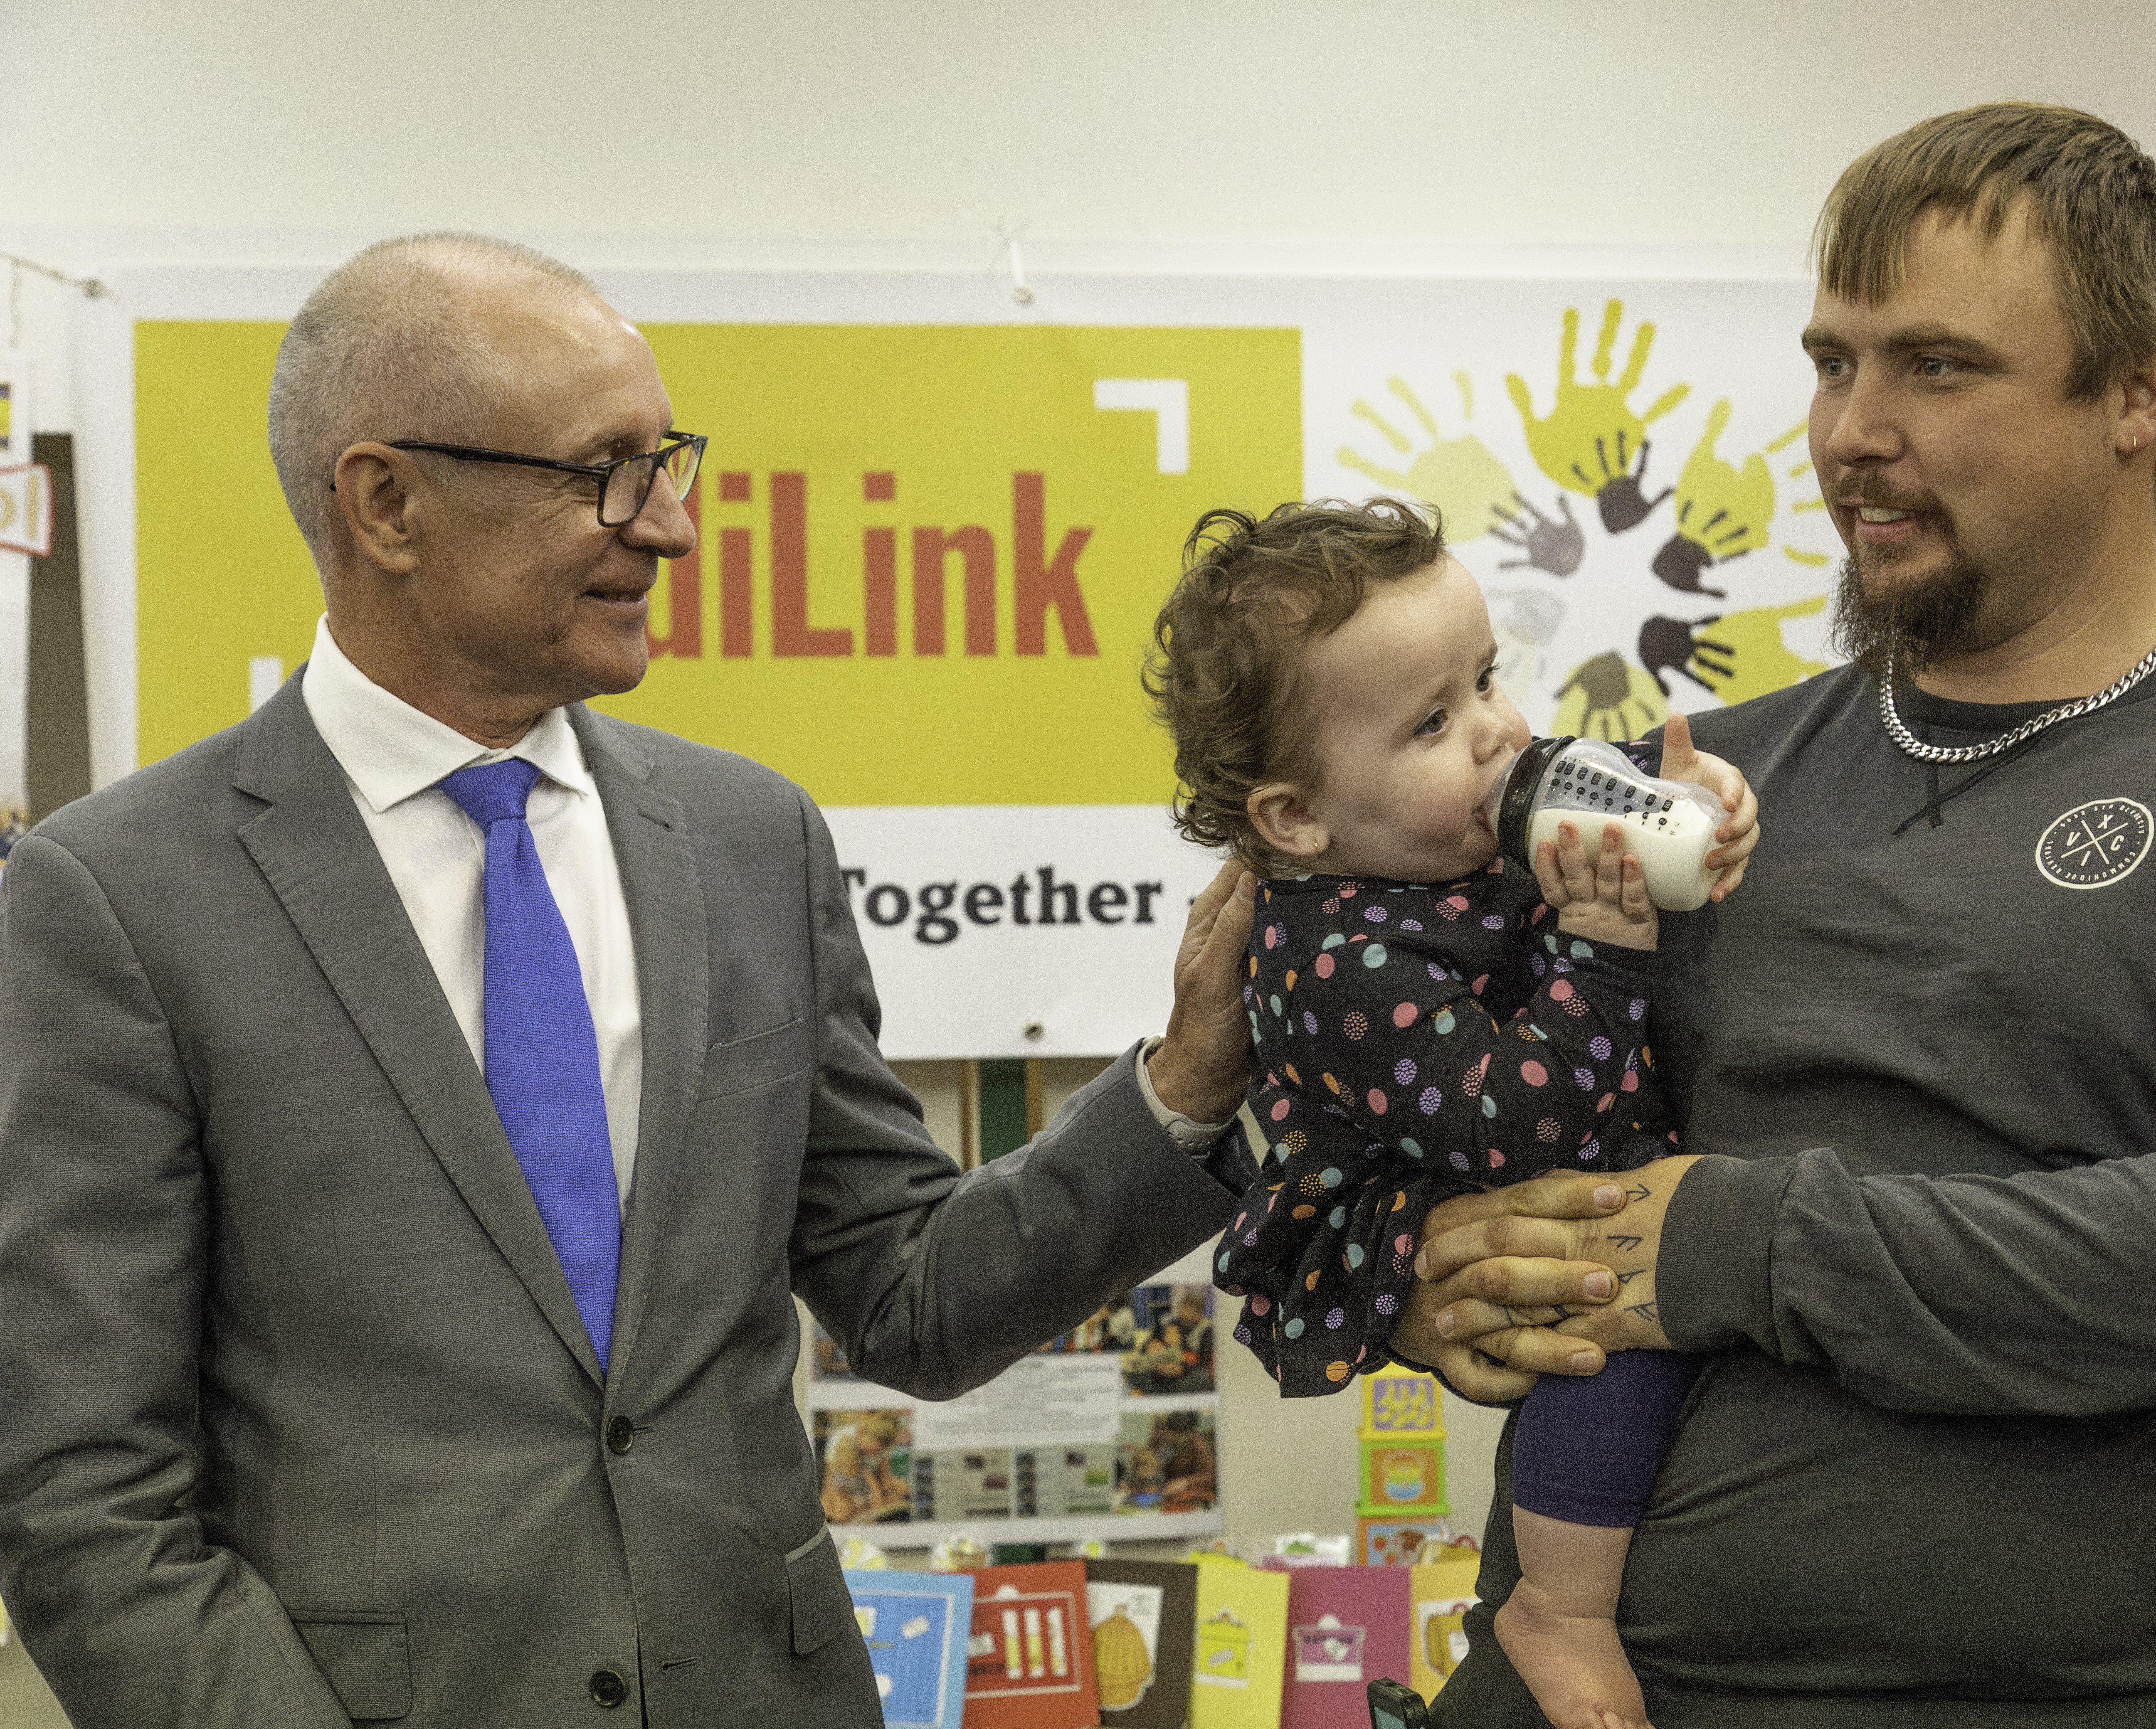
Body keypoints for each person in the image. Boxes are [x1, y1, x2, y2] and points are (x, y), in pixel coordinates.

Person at [0, 233, 1258, 1727]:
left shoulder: (748, 840)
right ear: (387, 501)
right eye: (605, 470)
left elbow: (913, 1299)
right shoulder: (115, 898)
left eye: (670, 462)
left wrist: (1183, 1086)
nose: (668, 526)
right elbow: (86, 1496)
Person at [1391, 103, 2156, 1726]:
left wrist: (1744, 1242)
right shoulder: (1685, 789)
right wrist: (1417, 1276)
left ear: (2140, 386)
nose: (1853, 430)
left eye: (1935, 367)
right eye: (1832, 363)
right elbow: (1418, 1080)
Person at [1145, 500, 1755, 1729]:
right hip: (1447, 1197)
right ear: (1297, 819)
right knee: (1603, 1341)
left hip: (1599, 1153)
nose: (1496, 736)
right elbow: (1517, 1130)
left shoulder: (1469, 821)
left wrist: (1687, 797)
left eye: (1485, 681)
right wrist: (1607, 949)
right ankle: (1560, 1610)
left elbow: (1615, 785)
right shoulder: (1328, 961)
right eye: (1432, 722)